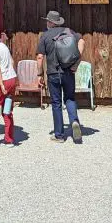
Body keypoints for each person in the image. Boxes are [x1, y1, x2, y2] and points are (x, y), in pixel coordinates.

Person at [36, 10, 85, 144]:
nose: (46, 23)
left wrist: (39, 74)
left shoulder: (45, 36)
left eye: (47, 21)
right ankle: (74, 121)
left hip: (53, 74)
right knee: (69, 98)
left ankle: (59, 135)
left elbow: (40, 57)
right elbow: (82, 42)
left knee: (56, 104)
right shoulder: (69, 32)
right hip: (68, 72)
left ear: (51, 23)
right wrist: (76, 63)